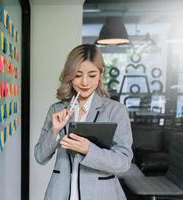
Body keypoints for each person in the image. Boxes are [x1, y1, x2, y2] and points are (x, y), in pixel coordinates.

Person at [34, 44, 133, 200]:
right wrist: (54, 132)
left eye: (92, 75)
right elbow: (40, 156)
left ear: (101, 74)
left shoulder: (116, 110)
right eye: (78, 75)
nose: (85, 82)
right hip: (59, 194)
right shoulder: (56, 109)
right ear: (70, 75)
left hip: (102, 194)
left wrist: (89, 150)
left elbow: (124, 162)